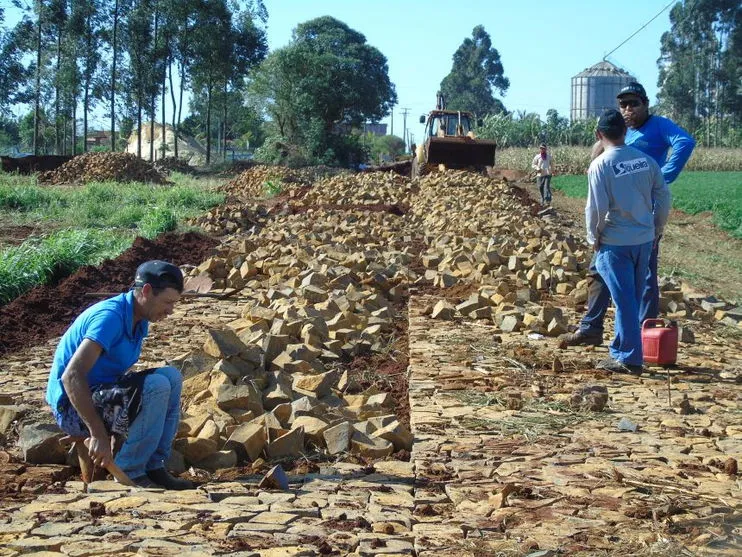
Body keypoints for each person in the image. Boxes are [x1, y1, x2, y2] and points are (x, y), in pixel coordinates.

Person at [560, 81, 695, 347]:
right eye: (623, 104)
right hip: (615, 218)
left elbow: (685, 142)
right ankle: (592, 328)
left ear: (646, 105)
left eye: (634, 104)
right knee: (599, 270)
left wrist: (663, 177)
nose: (628, 109)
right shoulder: (622, 134)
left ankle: (643, 336)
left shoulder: (658, 126)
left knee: (644, 275)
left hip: (642, 215)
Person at [46, 260, 193, 490]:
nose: (170, 311)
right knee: (155, 386)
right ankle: (131, 470)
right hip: (72, 408)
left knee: (171, 377)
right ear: (146, 291)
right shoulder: (110, 318)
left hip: (101, 394)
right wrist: (98, 434)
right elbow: (71, 376)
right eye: (167, 302)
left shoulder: (139, 319)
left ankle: (154, 466)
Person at [586, 109, 671, 373]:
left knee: (624, 301)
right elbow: (664, 198)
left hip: (616, 241)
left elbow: (596, 208)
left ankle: (630, 358)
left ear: (599, 135)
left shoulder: (600, 165)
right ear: (625, 132)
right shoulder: (646, 161)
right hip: (644, 239)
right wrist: (656, 227)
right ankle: (623, 348)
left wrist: (594, 237)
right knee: (631, 297)